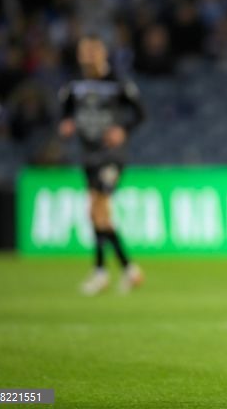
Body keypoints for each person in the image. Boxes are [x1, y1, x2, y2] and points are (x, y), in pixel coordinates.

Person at [58, 35, 146, 295]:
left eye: (92, 51)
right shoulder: (75, 85)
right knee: (97, 214)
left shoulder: (117, 82)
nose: (88, 57)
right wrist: (67, 123)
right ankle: (128, 270)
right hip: (89, 156)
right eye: (84, 52)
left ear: (102, 53)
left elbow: (140, 113)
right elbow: (65, 111)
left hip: (111, 156)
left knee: (98, 209)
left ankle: (101, 272)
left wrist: (123, 129)